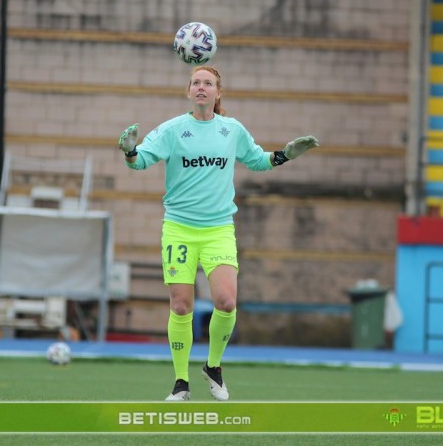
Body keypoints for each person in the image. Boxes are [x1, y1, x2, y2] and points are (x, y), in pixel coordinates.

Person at [118, 65, 319, 401]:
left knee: (226, 301)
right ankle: (181, 382)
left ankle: (213, 366)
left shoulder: (232, 129)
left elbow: (257, 160)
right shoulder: (172, 130)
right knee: (181, 306)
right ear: (188, 91)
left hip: (218, 230)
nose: (201, 87)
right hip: (179, 229)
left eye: (208, 83)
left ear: (218, 93)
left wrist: (286, 154)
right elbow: (140, 162)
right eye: (196, 82)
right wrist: (129, 150)